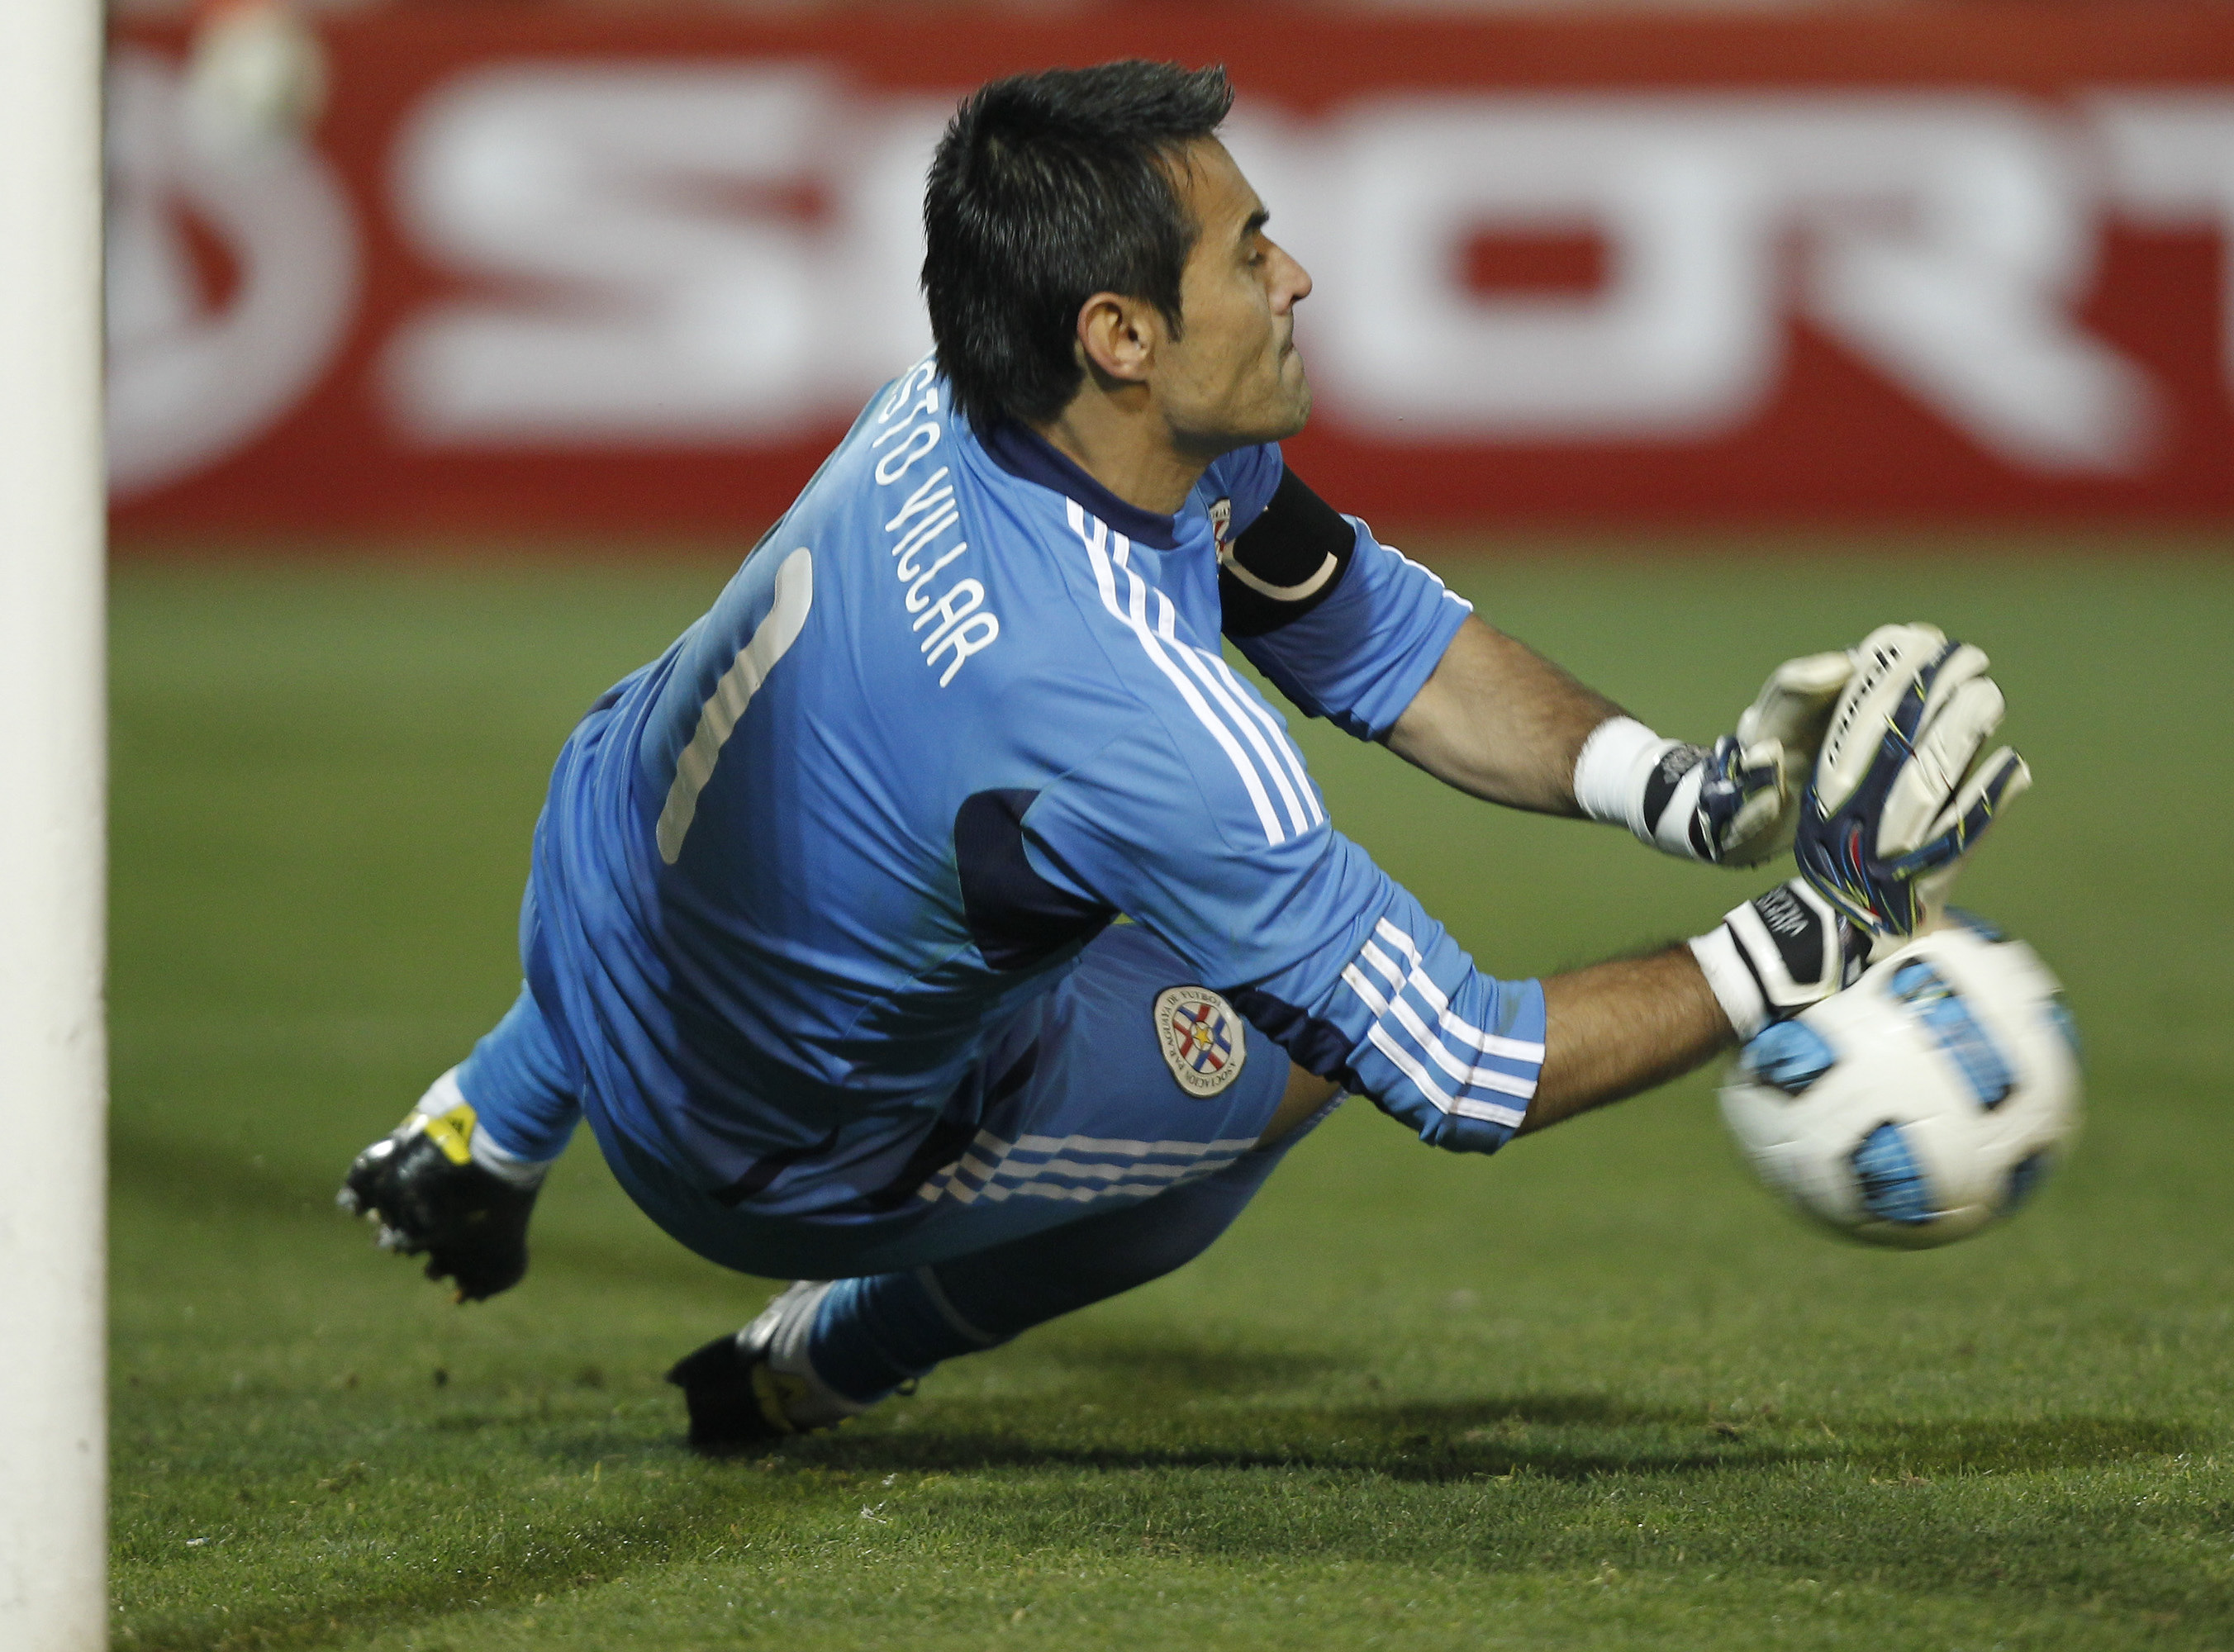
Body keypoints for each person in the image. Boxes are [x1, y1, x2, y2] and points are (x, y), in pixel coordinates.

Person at [339, 59, 2027, 1449]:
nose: (1294, 278)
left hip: (583, 889)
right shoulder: (1128, 719)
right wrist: (1821, 927)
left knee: (807, 783)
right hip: (749, 1145)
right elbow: (1460, 1065)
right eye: (1250, 251)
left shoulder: (961, 396)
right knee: (1280, 1069)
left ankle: (481, 1126)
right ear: (1119, 335)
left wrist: (1685, 790)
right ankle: (824, 1354)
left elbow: (1354, 625)